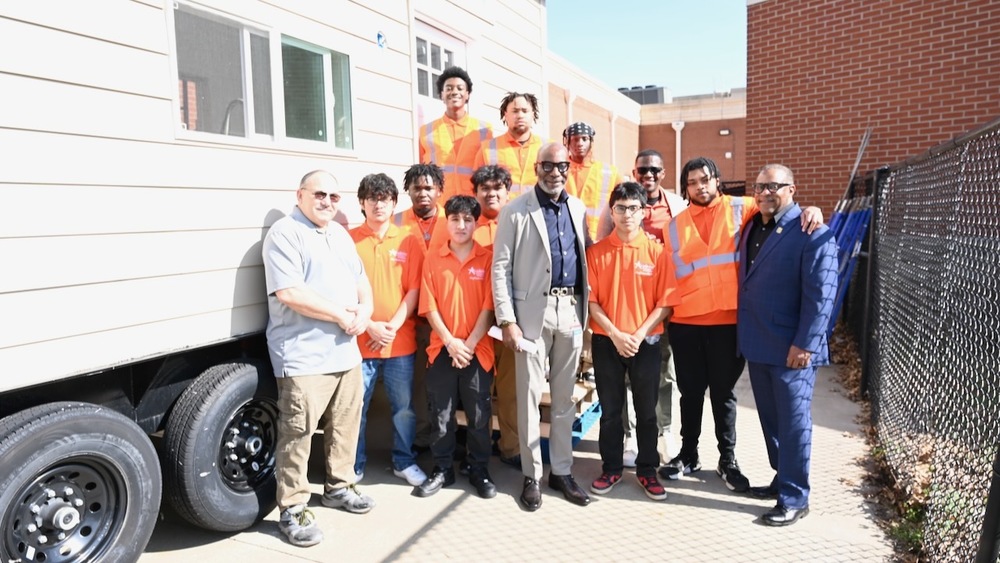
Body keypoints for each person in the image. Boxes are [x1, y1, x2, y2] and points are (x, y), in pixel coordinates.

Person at [658, 157, 823, 494]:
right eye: (692, 182)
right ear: (685, 188)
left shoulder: (741, 207)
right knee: (690, 393)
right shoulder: (673, 226)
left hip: (728, 324)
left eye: (706, 179)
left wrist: (811, 209)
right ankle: (688, 455)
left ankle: (727, 460)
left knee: (723, 394)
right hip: (686, 323)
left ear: (717, 180)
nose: (700, 186)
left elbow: (779, 205)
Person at [262, 170, 375, 548]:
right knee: (298, 434)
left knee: (346, 426)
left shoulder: (340, 234)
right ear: (301, 195)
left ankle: (339, 487)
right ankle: (293, 508)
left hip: (346, 352)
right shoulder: (285, 233)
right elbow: (290, 292)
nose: (327, 201)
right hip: (304, 356)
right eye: (320, 194)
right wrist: (342, 316)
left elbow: (362, 281)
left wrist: (365, 310)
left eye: (334, 196)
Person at [492, 142, 592, 511]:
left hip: (570, 312)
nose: (554, 172)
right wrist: (508, 321)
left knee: (564, 400)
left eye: (561, 166)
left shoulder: (577, 208)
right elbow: (500, 268)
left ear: (568, 169)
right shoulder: (516, 211)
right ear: (537, 168)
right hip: (531, 316)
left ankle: (561, 471)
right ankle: (532, 475)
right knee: (529, 398)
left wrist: (587, 317)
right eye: (547, 166)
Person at [737, 164, 838, 526]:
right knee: (772, 421)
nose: (765, 192)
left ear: (792, 190)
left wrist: (806, 344)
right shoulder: (751, 225)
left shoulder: (812, 231)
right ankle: (783, 479)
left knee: (794, 424)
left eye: (774, 186)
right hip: (758, 343)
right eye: (760, 186)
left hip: (793, 350)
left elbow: (822, 295)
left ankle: (796, 497)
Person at [585, 181, 679, 501]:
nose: (627, 214)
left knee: (647, 411)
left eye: (633, 208)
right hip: (606, 341)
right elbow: (591, 302)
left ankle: (647, 470)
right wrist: (615, 333)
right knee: (611, 411)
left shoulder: (657, 252)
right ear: (612, 212)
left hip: (646, 342)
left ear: (644, 212)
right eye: (621, 208)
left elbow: (665, 301)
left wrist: (638, 334)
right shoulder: (596, 253)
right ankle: (611, 467)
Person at [598, 149, 689, 467]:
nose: (648, 175)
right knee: (620, 381)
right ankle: (627, 436)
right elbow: (601, 246)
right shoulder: (618, 204)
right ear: (634, 173)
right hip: (621, 307)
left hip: (659, 307)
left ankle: (660, 433)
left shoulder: (675, 206)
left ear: (663, 174)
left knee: (662, 376)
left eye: (654, 170)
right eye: (642, 171)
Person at [416, 195, 497, 499]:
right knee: (441, 415)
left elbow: (490, 307)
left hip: (479, 351)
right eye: (455, 219)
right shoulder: (433, 259)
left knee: (478, 416)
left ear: (477, 223)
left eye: (467, 219)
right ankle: (442, 469)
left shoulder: (487, 259)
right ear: (446, 222)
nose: (461, 225)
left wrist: (470, 343)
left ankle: (479, 469)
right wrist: (451, 342)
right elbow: (429, 306)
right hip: (442, 349)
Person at [349, 173, 427, 487]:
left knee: (404, 410)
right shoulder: (348, 240)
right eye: (372, 198)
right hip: (357, 340)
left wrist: (390, 327)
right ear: (362, 203)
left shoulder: (409, 239)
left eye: (384, 199)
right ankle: (352, 467)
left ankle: (403, 462)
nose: (378, 204)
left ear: (394, 203)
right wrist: (369, 325)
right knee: (356, 409)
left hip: (400, 342)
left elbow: (414, 289)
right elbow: (341, 290)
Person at [394, 163, 449, 450]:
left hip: (445, 315)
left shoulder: (452, 220)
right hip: (410, 316)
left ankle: (445, 436)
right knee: (414, 381)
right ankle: (420, 435)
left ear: (440, 190)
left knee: (444, 381)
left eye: (429, 187)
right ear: (408, 191)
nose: (423, 193)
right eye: (417, 188)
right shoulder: (396, 222)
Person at [470, 165, 520, 468]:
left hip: (509, 322)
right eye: (484, 188)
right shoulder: (466, 226)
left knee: (511, 390)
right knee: (478, 393)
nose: (491, 193)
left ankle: (512, 448)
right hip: (476, 324)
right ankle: (479, 450)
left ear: (507, 192)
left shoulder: (517, 224)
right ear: (475, 193)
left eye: (497, 188)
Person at [419, 66, 494, 203]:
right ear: (441, 94)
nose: (454, 92)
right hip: (439, 207)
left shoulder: (485, 130)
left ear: (467, 95)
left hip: (473, 206)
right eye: (448, 88)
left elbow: (490, 173)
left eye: (460, 88)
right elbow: (420, 174)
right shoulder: (426, 131)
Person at [474, 92, 544, 198]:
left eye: (525, 111)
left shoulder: (547, 148)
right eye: (515, 111)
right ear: (505, 115)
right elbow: (477, 188)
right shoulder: (487, 149)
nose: (520, 115)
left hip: (538, 212)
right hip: (503, 213)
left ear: (533, 114)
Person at [562, 121, 622, 241]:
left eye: (584, 139)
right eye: (575, 139)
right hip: (566, 235)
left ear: (591, 142)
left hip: (600, 237)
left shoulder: (609, 172)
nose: (580, 143)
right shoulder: (559, 169)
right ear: (567, 142)